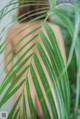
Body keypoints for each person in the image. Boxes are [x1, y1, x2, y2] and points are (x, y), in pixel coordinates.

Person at [4, 0, 66, 119]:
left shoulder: (13, 30)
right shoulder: (54, 29)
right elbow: (61, 65)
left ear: (22, 6)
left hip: (23, 89)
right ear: (45, 6)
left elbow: (8, 66)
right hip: (48, 89)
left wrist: (18, 84)